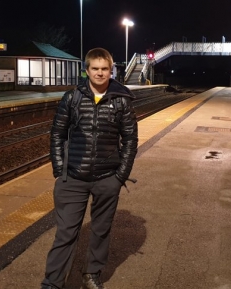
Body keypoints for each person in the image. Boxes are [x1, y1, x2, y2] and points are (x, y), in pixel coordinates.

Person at [42, 47, 138, 289]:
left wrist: (120, 176)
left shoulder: (122, 100)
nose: (100, 73)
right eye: (95, 68)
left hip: (107, 178)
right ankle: (52, 283)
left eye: (104, 69)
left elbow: (130, 140)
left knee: (101, 230)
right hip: (72, 178)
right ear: (86, 71)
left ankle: (91, 275)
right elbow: (57, 134)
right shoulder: (72, 98)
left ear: (111, 70)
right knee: (65, 234)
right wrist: (59, 169)